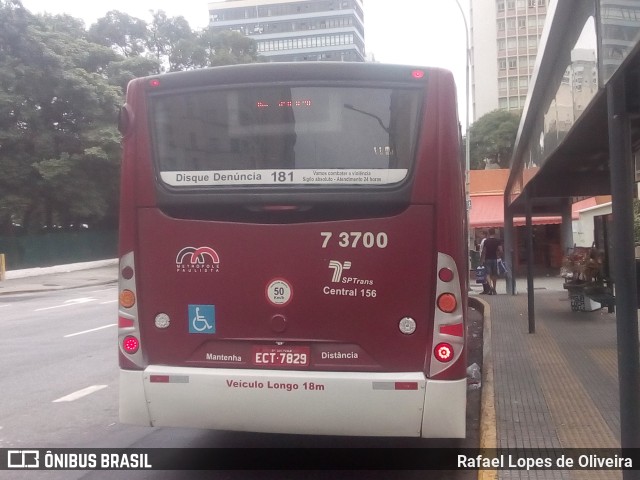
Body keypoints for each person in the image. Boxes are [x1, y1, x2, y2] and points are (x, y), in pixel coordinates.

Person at [480, 228, 503, 295]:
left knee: (487, 274)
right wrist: (499, 255)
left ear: (489, 233)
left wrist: (481, 260)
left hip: (487, 259)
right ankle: (494, 289)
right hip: (494, 259)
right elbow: (501, 250)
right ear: (494, 233)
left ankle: (491, 287)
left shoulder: (486, 241)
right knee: (494, 274)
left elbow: (484, 251)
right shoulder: (497, 241)